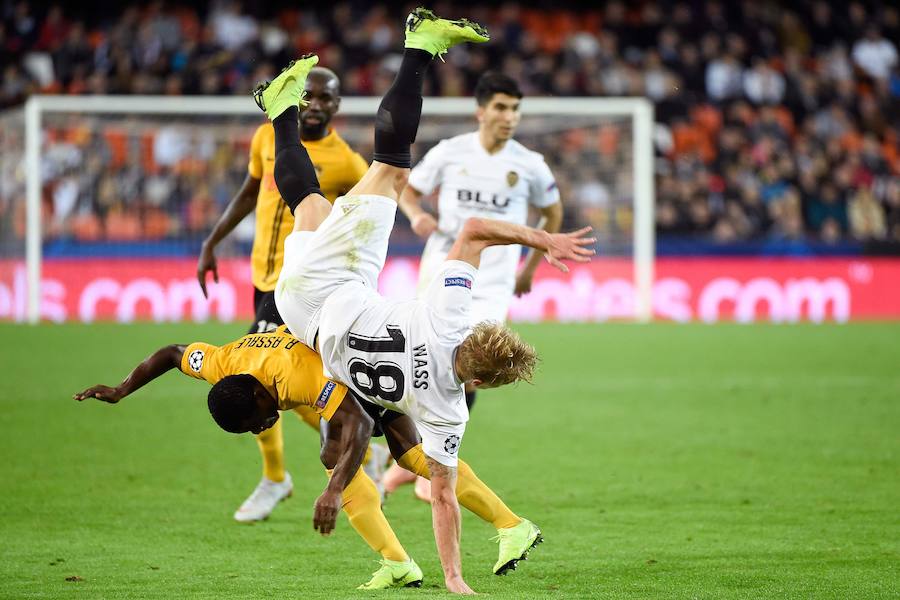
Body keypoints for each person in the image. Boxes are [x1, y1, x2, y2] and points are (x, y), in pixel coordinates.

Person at [253, 8, 594, 594]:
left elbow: (473, 232)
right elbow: (441, 495)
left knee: (388, 167)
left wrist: (544, 239)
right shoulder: (447, 411)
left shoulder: (450, 316)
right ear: (479, 384)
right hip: (308, 314)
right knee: (310, 203)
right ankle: (280, 106)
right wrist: (455, 579)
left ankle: (418, 45)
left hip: (332, 289)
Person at [73, 325, 545, 590]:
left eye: (256, 421)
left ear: (261, 395)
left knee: (341, 450)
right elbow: (172, 353)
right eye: (252, 432)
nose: (261, 428)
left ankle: (402, 560)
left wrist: (332, 491)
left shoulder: (296, 379)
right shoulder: (221, 365)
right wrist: (121, 390)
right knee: (410, 456)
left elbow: (359, 422)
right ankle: (505, 528)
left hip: (369, 364)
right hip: (350, 361)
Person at [195, 67, 384, 523]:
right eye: (308, 96)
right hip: (263, 276)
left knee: (253, 375)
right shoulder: (267, 138)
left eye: (326, 98)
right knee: (283, 381)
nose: (315, 104)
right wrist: (212, 241)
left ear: (338, 106)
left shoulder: (347, 162)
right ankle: (352, 438)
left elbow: (363, 220)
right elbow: (249, 192)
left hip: (303, 286)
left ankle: (279, 475)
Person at [389, 70, 563, 501]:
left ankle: (434, 468)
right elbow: (407, 190)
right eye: (502, 107)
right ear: (481, 111)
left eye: (516, 109)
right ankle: (408, 460)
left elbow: (552, 215)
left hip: (494, 282)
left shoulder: (529, 164)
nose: (510, 117)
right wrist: (416, 216)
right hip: (443, 271)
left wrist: (529, 270)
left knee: (470, 370)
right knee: (421, 361)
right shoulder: (451, 152)